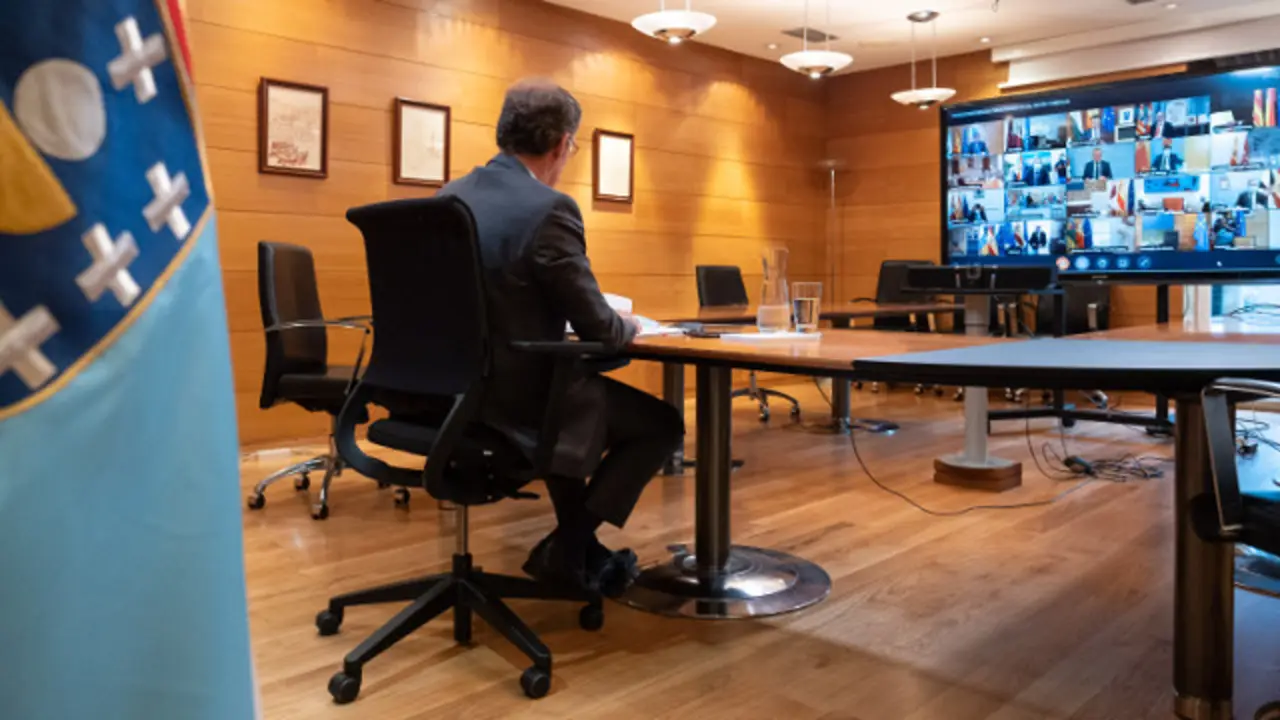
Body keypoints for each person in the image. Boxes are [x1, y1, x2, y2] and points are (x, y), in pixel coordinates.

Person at [438, 79, 685, 596]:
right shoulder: (549, 208)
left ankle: (575, 553)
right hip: (513, 399)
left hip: (447, 394)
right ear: (561, 144)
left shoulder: (447, 198)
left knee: (570, 404)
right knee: (660, 424)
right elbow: (602, 329)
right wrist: (632, 325)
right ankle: (568, 545)